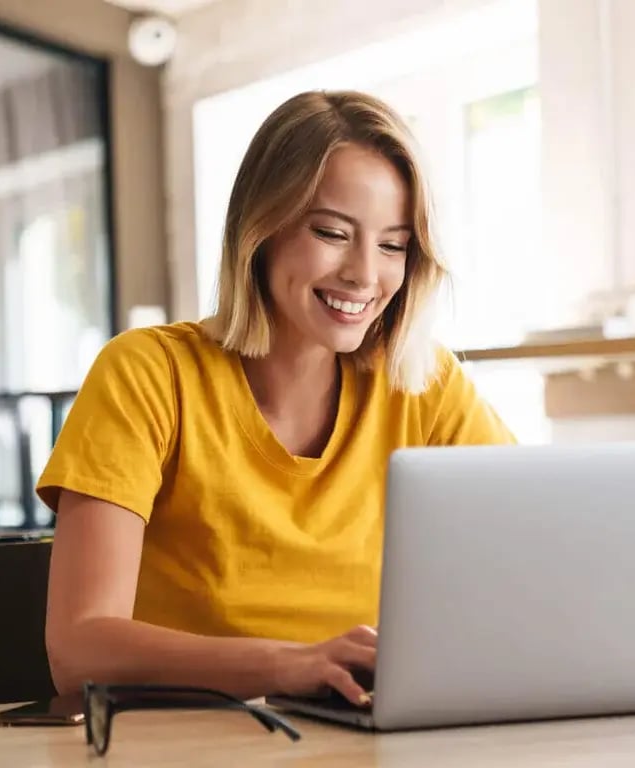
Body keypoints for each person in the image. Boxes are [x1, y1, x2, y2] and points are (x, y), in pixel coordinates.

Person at [37, 89, 515, 708]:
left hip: (360, 737)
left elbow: (532, 562)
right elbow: (78, 652)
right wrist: (288, 665)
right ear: (260, 228)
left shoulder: (425, 384)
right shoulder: (149, 373)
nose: (365, 275)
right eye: (332, 233)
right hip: (188, 742)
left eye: (393, 245)